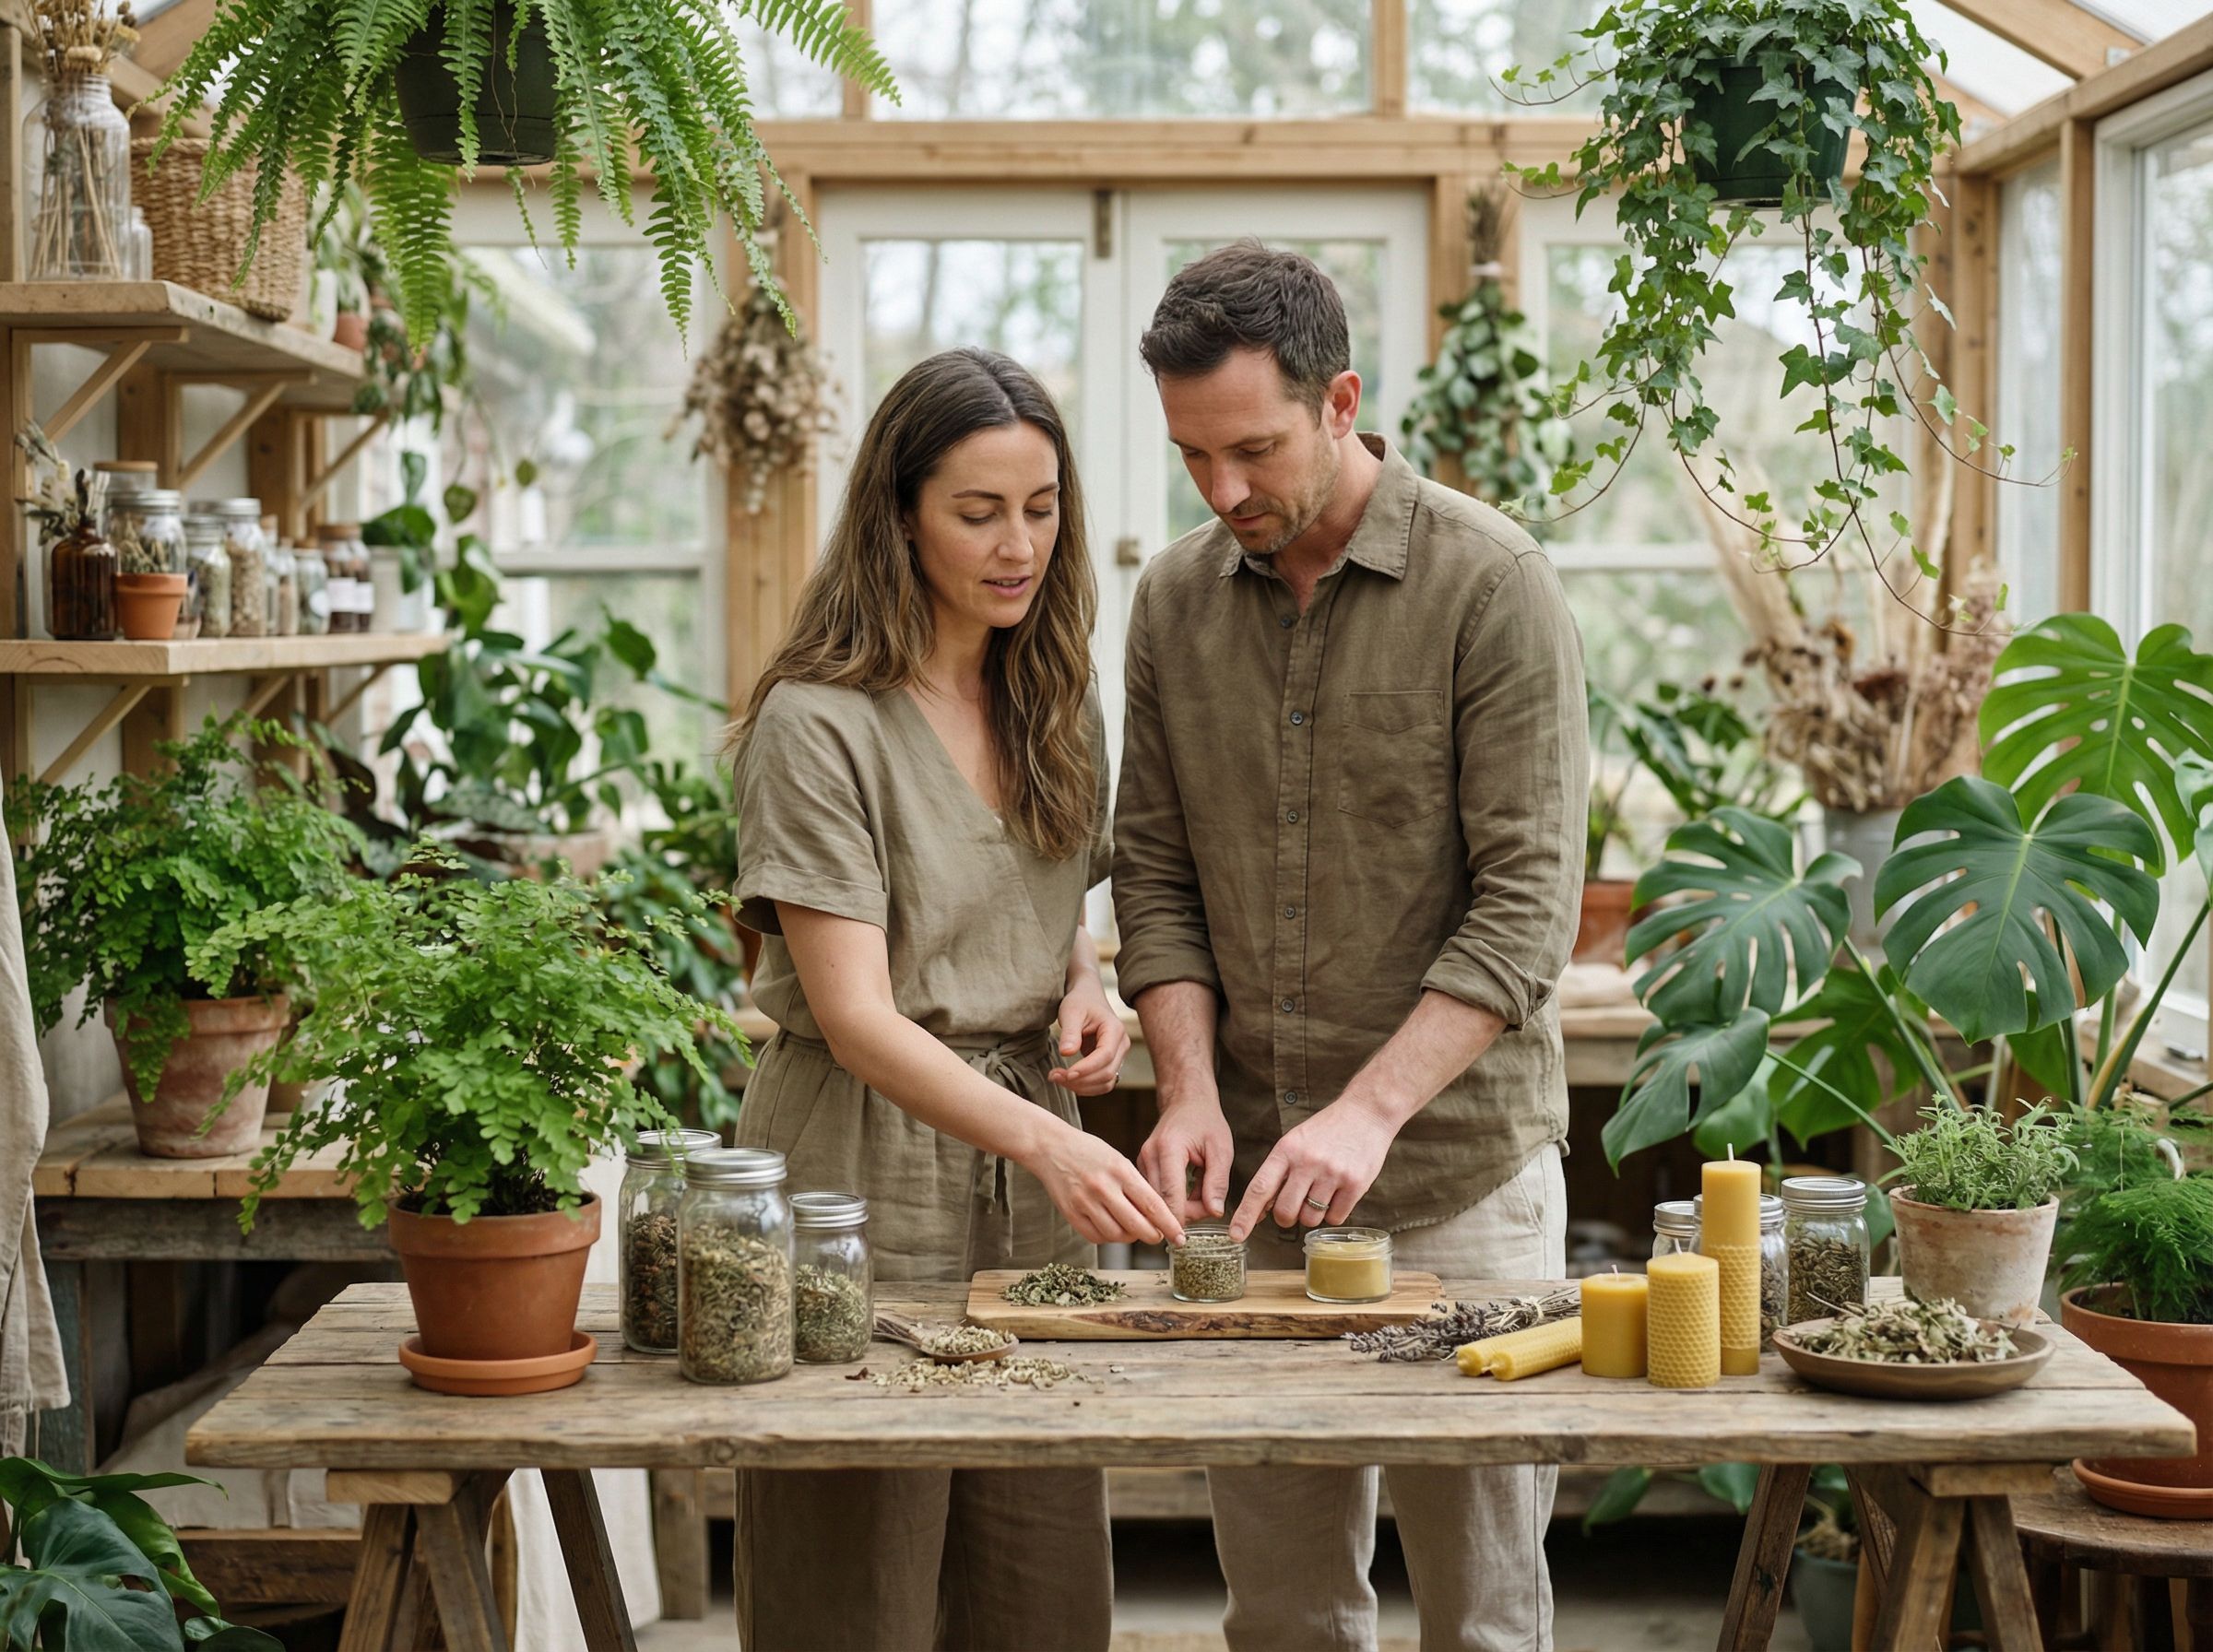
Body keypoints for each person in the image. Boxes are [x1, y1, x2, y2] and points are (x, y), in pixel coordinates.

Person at [1113, 242, 1589, 1652]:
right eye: (1193, 457)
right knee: (1283, 1607)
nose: (1224, 491)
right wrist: (1189, 1091)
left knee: (1484, 1608)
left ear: (1340, 403)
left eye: (1252, 449)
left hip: (1462, 1183)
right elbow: (1155, 872)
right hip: (1252, 1186)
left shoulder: (1493, 585)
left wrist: (1371, 1110)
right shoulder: (1173, 603)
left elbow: (1528, 906)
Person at [727, 346, 1183, 1652]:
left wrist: (1085, 985)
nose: (1016, 545)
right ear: (899, 514)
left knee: (1039, 1570)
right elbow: (859, 1017)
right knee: (853, 1580)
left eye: (1040, 509)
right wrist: (1047, 1137)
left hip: (1030, 1177)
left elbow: (1043, 911)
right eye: (977, 513)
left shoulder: (1052, 694)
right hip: (856, 1168)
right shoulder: (818, 722)